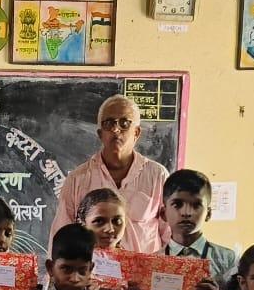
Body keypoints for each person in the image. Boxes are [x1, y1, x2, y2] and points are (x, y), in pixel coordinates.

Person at [48, 95, 171, 254]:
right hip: (93, 269)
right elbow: (61, 236)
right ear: (100, 134)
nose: (115, 129)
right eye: (109, 123)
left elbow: (170, 235)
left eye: (124, 123)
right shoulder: (77, 179)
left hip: (144, 269)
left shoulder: (157, 176)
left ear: (136, 132)